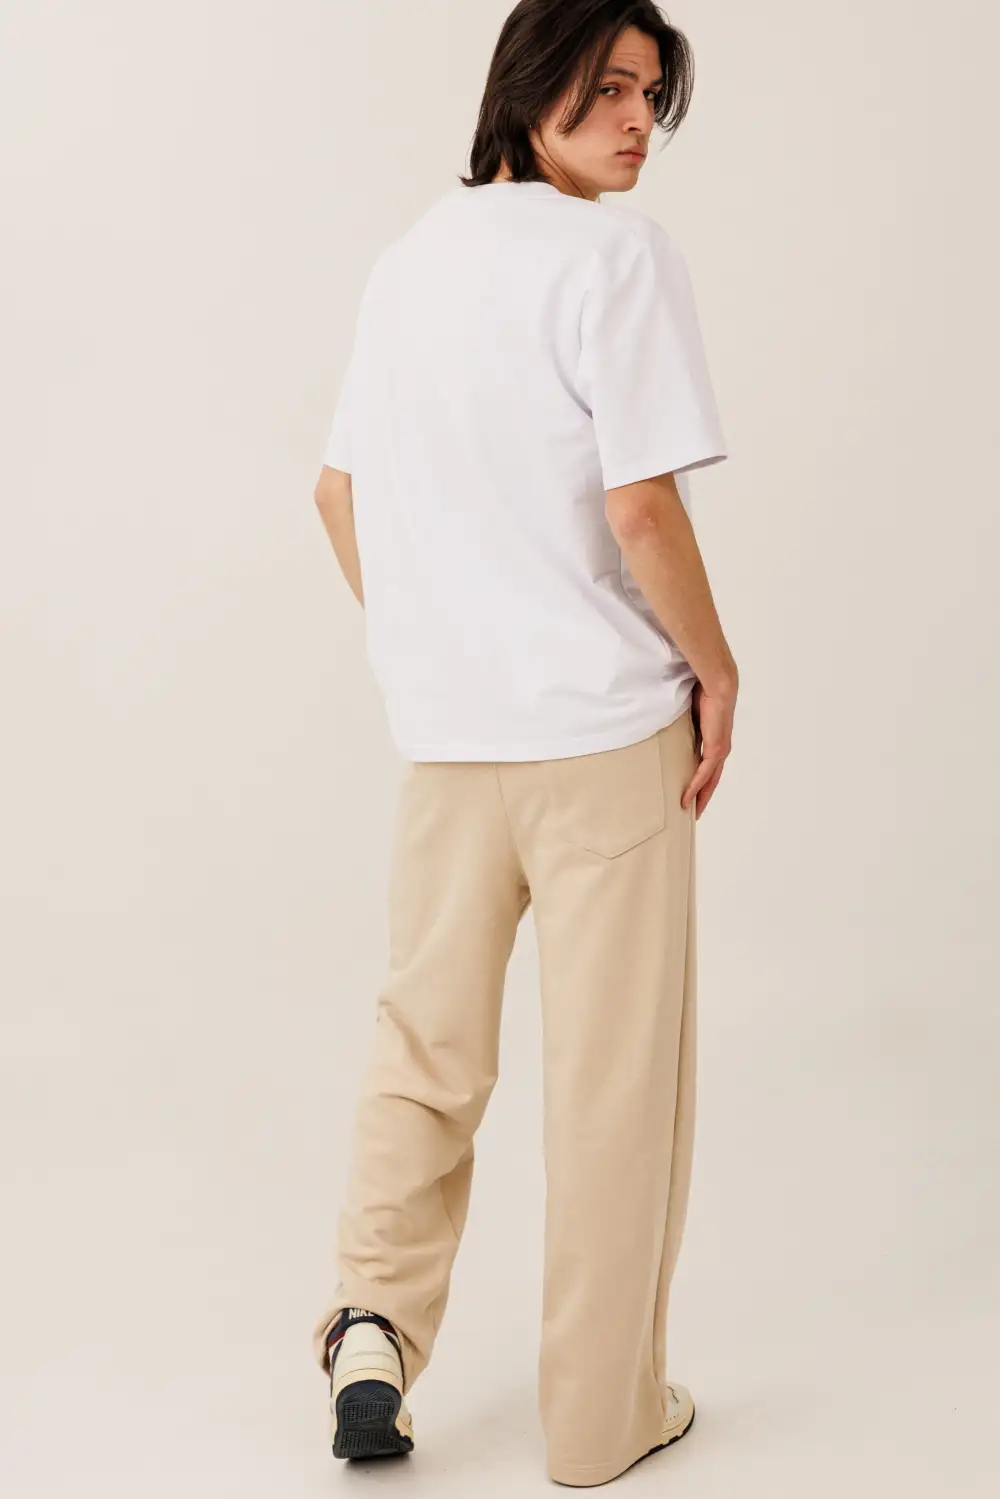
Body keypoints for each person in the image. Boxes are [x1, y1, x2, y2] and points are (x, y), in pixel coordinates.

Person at [310, 0, 738, 1486]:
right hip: (605, 740)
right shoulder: (619, 257)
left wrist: (439, 645)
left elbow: (337, 493)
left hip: (449, 746)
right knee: (615, 1087)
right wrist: (718, 667)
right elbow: (640, 506)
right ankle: (602, 1417)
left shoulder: (407, 262)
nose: (634, 120)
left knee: (424, 1052)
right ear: (528, 81)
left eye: (651, 95)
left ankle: (372, 1328)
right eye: (607, 85)